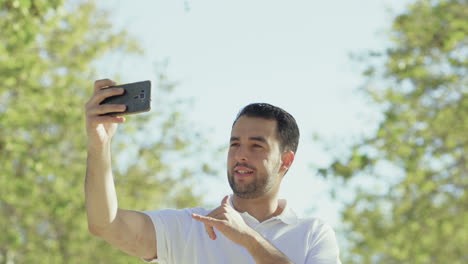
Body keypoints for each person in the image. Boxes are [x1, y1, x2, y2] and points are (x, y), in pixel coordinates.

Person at [85, 79, 342, 264]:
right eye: (235, 144)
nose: (241, 154)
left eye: (256, 145)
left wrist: (248, 239)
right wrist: (100, 144)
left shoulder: (313, 234)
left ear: (285, 161)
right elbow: (106, 224)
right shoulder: (190, 227)